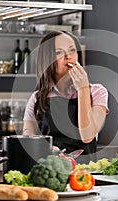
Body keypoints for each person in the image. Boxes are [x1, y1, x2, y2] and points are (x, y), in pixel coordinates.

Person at [23, 31, 109, 163]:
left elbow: (87, 136)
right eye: (59, 52)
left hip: (84, 176)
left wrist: (83, 89)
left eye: (72, 50)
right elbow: (28, 140)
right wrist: (47, 148)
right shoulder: (37, 99)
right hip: (50, 170)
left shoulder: (97, 92)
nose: (68, 56)